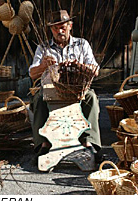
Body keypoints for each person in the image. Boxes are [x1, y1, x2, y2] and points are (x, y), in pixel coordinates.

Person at [29, 10, 102, 162]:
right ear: (51, 29)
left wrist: (80, 66)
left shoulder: (82, 44)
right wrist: (43, 65)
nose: (59, 31)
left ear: (70, 26)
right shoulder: (43, 47)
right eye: (55, 28)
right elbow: (32, 73)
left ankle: (89, 142)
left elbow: (95, 71)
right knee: (38, 99)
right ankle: (43, 144)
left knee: (91, 98)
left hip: (77, 90)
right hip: (51, 91)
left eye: (62, 26)